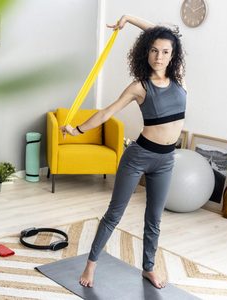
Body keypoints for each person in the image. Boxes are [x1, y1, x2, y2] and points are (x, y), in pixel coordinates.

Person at [60, 14, 186, 289]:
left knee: (154, 219)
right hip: (138, 156)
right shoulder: (140, 86)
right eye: (154, 50)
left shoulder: (180, 80)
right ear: (146, 51)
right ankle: (91, 265)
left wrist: (129, 18)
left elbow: (163, 33)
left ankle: (148, 268)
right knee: (114, 214)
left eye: (165, 51)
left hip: (166, 161)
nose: (159, 56)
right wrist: (77, 130)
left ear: (173, 54)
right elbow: (106, 112)